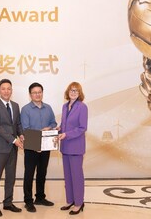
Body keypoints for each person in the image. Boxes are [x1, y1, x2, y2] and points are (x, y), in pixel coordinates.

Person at [0, 79, 24, 217]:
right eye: (3, 89)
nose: (6, 91)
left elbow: (18, 124)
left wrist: (21, 135)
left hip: (13, 149)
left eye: (9, 89)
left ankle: (8, 203)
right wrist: (14, 140)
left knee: (11, 177)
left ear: (11, 91)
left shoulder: (15, 106)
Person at [21, 82, 57, 212]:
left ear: (42, 93)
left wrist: (50, 127)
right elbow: (25, 128)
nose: (37, 94)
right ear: (30, 94)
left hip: (46, 146)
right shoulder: (25, 109)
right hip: (32, 147)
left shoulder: (48, 108)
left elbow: (54, 122)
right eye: (34, 92)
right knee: (29, 174)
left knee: (42, 172)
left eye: (39, 92)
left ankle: (40, 197)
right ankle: (28, 201)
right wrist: (36, 144)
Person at [58, 82, 88, 215]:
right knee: (68, 176)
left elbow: (82, 128)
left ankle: (79, 203)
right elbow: (64, 124)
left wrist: (66, 134)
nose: (73, 92)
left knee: (76, 177)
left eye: (76, 90)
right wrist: (59, 129)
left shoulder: (82, 107)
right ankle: (70, 200)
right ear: (68, 92)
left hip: (75, 147)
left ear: (79, 93)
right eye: (71, 90)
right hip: (65, 147)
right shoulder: (65, 106)